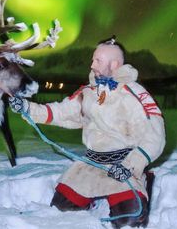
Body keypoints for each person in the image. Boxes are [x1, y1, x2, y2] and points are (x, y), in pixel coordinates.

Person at [9, 37, 165, 228]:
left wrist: (132, 166)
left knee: (129, 221)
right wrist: (27, 108)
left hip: (122, 167)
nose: (92, 65)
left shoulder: (135, 94)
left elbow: (155, 135)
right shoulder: (88, 92)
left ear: (114, 64)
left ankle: (142, 181)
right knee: (60, 211)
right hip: (92, 164)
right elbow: (62, 112)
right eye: (93, 59)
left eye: (97, 60)